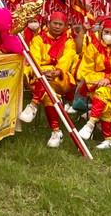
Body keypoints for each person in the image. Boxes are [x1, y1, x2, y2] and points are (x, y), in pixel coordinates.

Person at [18, 12, 77, 147]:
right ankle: (56, 132)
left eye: (60, 24)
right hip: (40, 75)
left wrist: (56, 71)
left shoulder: (69, 42)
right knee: (49, 95)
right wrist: (41, 71)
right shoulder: (38, 39)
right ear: (48, 24)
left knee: (47, 83)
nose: (57, 26)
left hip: (60, 78)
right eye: (54, 23)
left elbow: (67, 59)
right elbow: (34, 58)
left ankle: (33, 105)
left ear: (65, 26)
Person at [77, 18, 111, 149]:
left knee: (102, 92)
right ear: (101, 32)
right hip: (96, 85)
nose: (109, 35)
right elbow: (85, 69)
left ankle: (90, 123)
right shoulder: (93, 48)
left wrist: (109, 80)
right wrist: (101, 80)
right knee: (104, 101)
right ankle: (109, 140)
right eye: (106, 32)